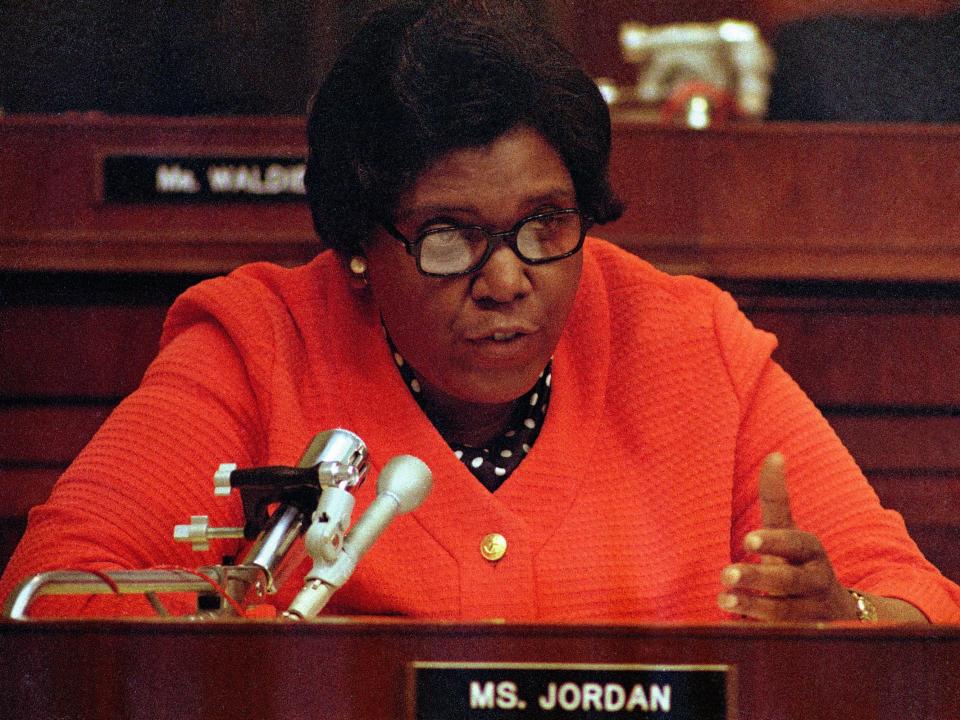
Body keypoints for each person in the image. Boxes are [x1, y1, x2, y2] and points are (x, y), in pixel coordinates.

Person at [2, 0, 959, 622]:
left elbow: (921, 604)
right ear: (359, 247)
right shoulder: (262, 344)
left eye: (545, 223)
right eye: (450, 235)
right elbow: (51, 595)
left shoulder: (687, 343)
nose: (507, 280)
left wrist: (846, 618)